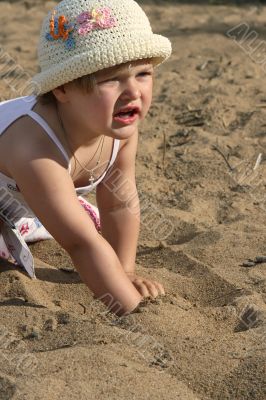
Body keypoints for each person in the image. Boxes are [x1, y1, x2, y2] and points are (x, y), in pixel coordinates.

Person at [0, 0, 172, 315]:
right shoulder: (34, 148)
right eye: (110, 79)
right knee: (78, 230)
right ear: (63, 89)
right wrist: (133, 312)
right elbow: (80, 245)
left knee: (76, 217)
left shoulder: (118, 127)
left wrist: (125, 272)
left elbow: (119, 200)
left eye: (143, 73)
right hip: (18, 194)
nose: (133, 91)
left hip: (24, 201)